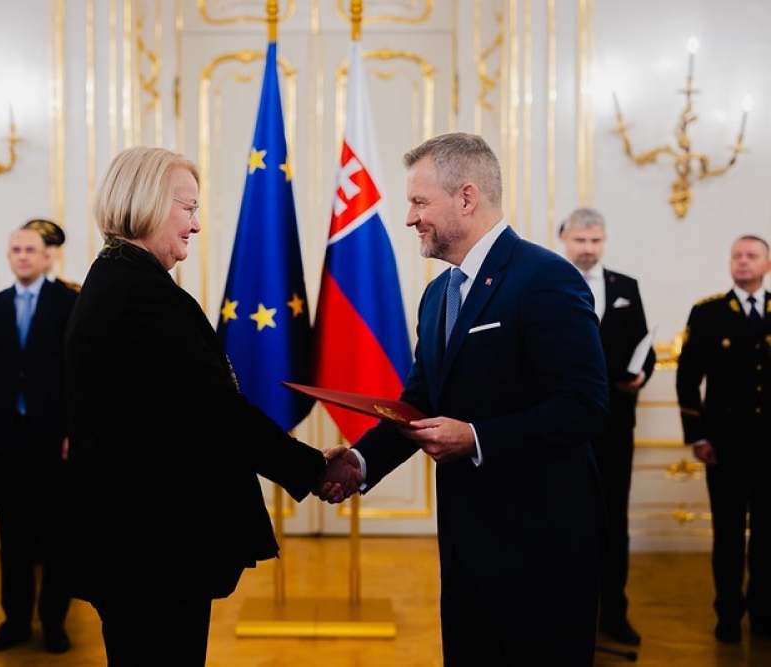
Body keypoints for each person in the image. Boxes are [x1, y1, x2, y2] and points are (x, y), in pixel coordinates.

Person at [318, 133, 610, 667]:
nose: (410, 217)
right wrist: (360, 462)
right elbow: (418, 403)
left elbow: (585, 407)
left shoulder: (546, 278)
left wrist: (476, 439)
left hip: (541, 549)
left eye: (419, 201)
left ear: (467, 197)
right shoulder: (438, 295)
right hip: (464, 550)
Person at [63, 146, 349, 667]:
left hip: (135, 542)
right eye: (188, 208)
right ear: (150, 202)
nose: (195, 225)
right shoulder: (142, 295)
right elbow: (217, 412)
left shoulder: (116, 278)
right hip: (151, 548)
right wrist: (311, 468)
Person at [0, 226, 78, 654]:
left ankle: (54, 622)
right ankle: (15, 621)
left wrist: (73, 430)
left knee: (57, 536)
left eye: (31, 249)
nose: (23, 256)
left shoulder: (69, 303)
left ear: (48, 256)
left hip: (55, 440)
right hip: (5, 440)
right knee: (12, 536)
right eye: (15, 249)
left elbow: (79, 373)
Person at [559, 207, 656, 647]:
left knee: (614, 520)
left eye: (595, 240)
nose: (588, 248)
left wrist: (642, 372)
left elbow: (644, 347)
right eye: (581, 240)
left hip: (616, 426)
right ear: (564, 238)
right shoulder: (546, 282)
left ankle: (614, 613)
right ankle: (566, 615)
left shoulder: (625, 287)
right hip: (563, 427)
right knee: (564, 519)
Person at [675, 234, 771, 644]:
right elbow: (687, 378)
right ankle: (728, 614)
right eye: (737, 256)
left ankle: (764, 614)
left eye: (751, 256)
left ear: (767, 264)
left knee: (767, 537)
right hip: (725, 445)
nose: (743, 261)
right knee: (728, 535)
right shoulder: (708, 313)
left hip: (769, 448)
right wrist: (697, 437)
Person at [22, 218, 81, 291]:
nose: (43, 251)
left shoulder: (72, 293)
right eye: (33, 248)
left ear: (58, 252)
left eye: (47, 245)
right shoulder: (10, 295)